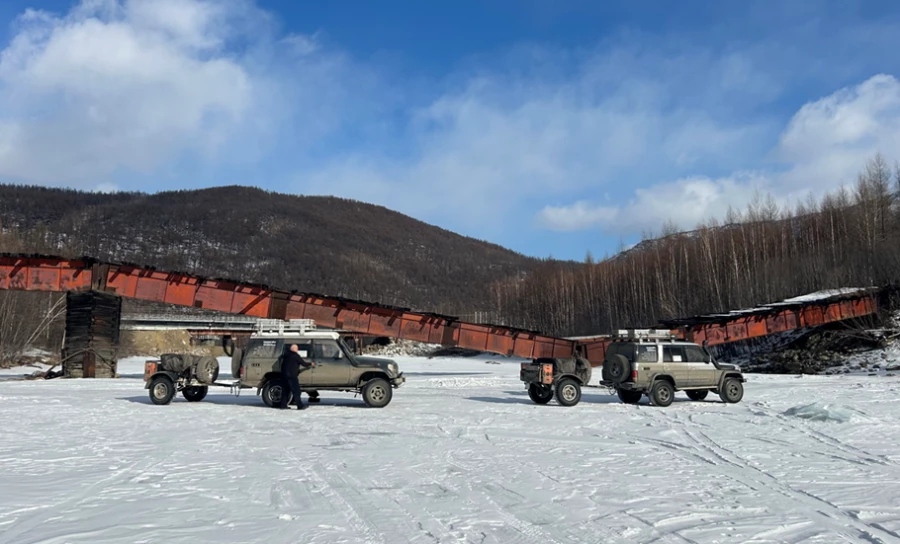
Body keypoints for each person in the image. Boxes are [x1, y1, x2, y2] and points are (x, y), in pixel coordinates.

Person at [280, 344, 314, 410]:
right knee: (296, 391)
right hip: (292, 376)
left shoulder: (286, 355)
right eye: (297, 348)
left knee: (285, 391)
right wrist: (310, 364)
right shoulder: (295, 356)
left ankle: (283, 405)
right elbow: (303, 363)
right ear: (294, 349)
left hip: (284, 375)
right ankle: (300, 405)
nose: (297, 350)